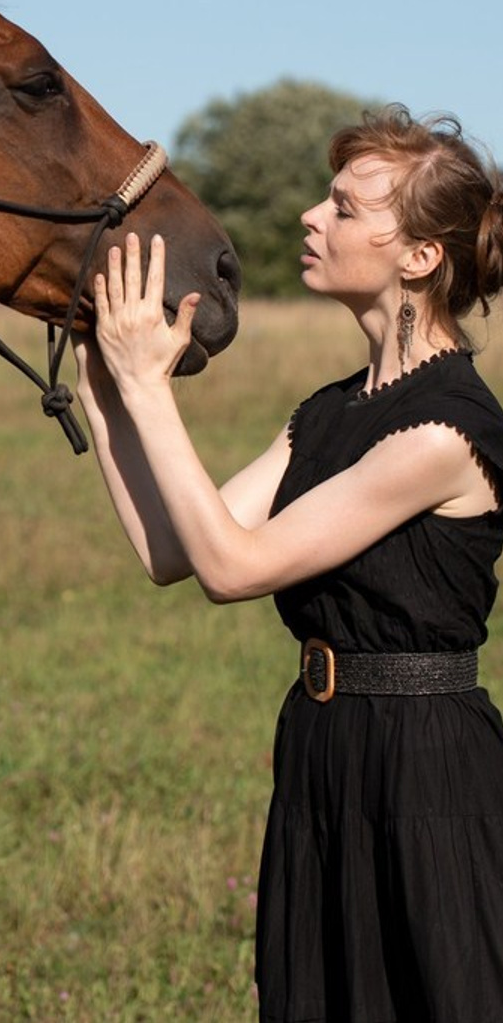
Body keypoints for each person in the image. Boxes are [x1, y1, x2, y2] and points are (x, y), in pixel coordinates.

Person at [73, 104, 503, 1020]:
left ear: (420, 256)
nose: (312, 215)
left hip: (426, 770)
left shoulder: (445, 432)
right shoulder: (327, 412)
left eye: (345, 209)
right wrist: (104, 384)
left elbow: (234, 569)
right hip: (322, 747)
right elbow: (171, 550)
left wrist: (153, 391)